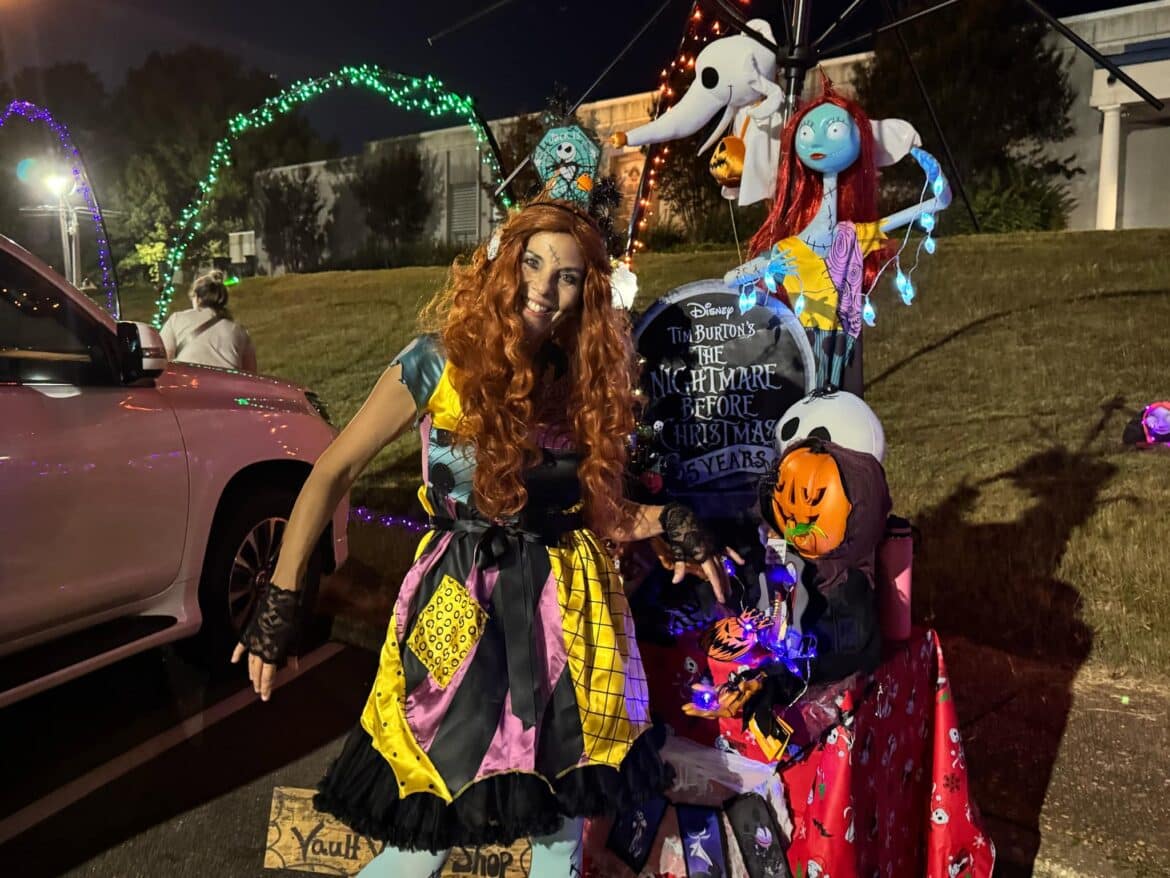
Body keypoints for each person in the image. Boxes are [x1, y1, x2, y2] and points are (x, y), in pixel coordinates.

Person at [232, 201, 741, 877]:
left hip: (570, 617)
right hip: (457, 600)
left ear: (587, 290)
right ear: (504, 263)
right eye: (532, 263)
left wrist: (670, 522)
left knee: (560, 836)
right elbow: (332, 473)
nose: (544, 287)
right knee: (422, 822)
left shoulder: (580, 384)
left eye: (566, 275)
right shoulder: (436, 363)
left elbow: (604, 514)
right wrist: (280, 601)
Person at [160, 270, 258, 372]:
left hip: (188, 379)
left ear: (197, 298)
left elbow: (163, 359)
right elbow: (250, 372)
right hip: (226, 381)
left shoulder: (177, 319)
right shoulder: (238, 330)